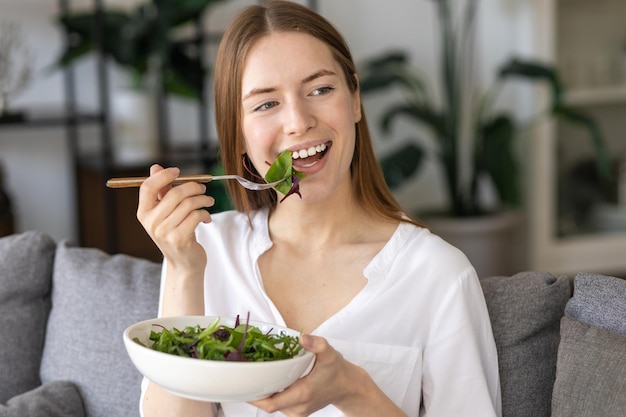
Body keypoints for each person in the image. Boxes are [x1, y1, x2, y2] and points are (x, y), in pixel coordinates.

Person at [137, 1, 501, 416]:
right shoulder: (205, 253)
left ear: (355, 100)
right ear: (237, 136)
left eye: (320, 90)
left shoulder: (438, 275)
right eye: (266, 104)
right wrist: (185, 272)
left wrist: (354, 391)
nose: (298, 121)